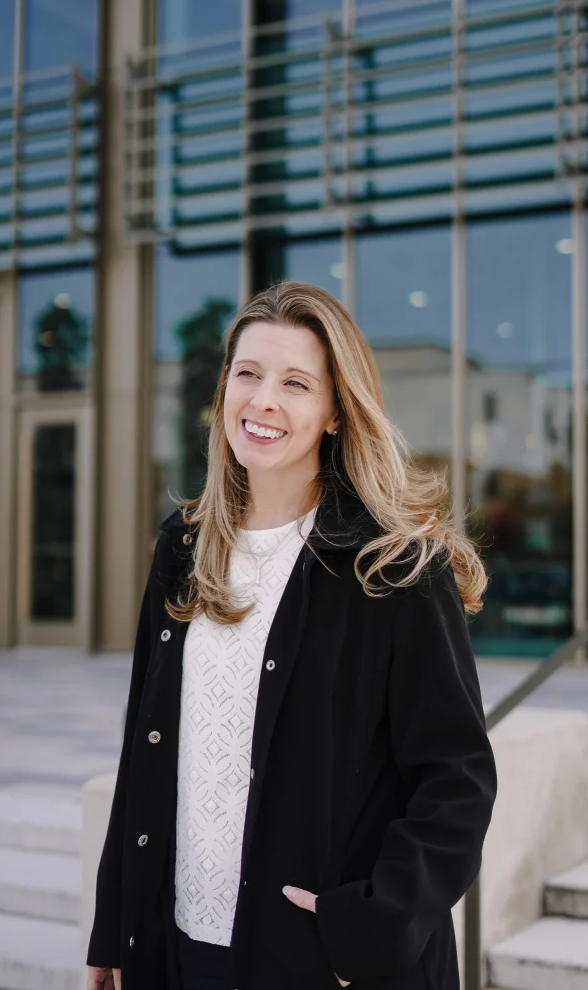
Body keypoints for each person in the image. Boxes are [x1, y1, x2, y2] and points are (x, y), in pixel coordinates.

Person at [86, 281, 498, 990]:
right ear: (223, 391)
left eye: (296, 383)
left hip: (317, 958)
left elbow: (456, 781)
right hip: (176, 944)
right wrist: (113, 926)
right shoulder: (182, 548)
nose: (263, 400)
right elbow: (144, 748)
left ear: (336, 411)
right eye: (247, 373)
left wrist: (364, 927)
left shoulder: (393, 566)